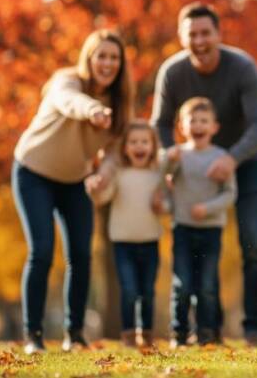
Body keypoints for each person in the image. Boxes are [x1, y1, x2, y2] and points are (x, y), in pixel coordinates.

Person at [150, 2, 257, 346]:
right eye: (192, 34)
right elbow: (160, 124)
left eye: (206, 33)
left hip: (249, 161)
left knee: (253, 241)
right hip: (195, 165)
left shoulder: (242, 67)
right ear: (182, 37)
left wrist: (232, 158)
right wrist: (170, 160)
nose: (200, 41)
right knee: (200, 245)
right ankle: (208, 328)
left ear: (218, 34)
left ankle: (255, 328)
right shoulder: (172, 72)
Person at [12, 29, 132, 354]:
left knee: (81, 254)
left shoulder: (120, 106)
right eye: (101, 56)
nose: (108, 63)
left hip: (74, 180)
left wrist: (102, 176)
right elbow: (69, 101)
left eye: (114, 58)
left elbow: (114, 154)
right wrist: (92, 110)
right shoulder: (66, 81)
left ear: (121, 64)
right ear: (88, 59)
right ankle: (34, 336)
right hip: (33, 172)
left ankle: (74, 334)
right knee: (41, 250)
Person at [165, 97, 237, 347]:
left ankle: (206, 332)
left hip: (210, 230)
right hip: (182, 227)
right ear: (182, 127)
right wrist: (168, 161)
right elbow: (162, 181)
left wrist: (207, 208)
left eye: (204, 121)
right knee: (182, 283)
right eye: (192, 121)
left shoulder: (221, 157)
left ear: (214, 127)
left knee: (207, 284)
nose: (198, 125)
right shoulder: (177, 155)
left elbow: (230, 194)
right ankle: (179, 333)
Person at [88, 120, 166, 348]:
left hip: (150, 241)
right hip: (123, 243)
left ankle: (147, 333)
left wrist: (163, 205)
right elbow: (104, 198)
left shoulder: (157, 175)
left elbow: (168, 204)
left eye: (144, 142)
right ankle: (129, 334)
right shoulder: (119, 174)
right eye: (133, 142)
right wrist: (95, 189)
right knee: (129, 290)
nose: (139, 146)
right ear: (124, 148)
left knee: (147, 291)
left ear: (153, 146)